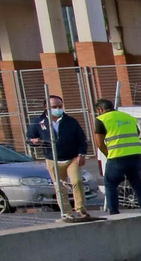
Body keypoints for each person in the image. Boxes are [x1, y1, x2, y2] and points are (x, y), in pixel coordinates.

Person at [26, 93, 94, 221]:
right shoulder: (38, 122)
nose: (58, 109)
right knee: (59, 186)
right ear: (46, 106)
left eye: (60, 106)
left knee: (77, 181)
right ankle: (66, 212)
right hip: (53, 159)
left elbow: (82, 139)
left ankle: (81, 210)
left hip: (72, 158)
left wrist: (81, 154)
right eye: (54, 106)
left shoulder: (70, 121)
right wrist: (34, 141)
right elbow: (29, 138)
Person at [93, 100, 141, 216]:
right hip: (135, 156)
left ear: (100, 110)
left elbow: (99, 143)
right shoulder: (128, 117)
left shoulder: (101, 119)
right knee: (137, 183)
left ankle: (114, 212)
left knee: (110, 184)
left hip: (117, 157)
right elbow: (137, 132)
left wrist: (108, 154)